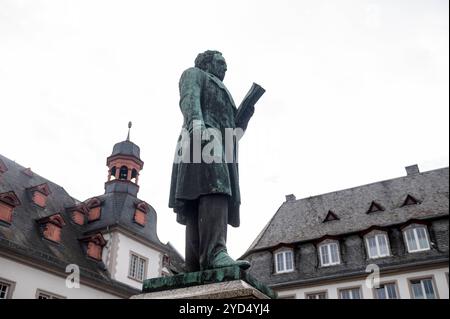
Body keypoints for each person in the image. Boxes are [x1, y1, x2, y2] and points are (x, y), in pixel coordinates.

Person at [169, 50, 258, 272]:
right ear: (207, 63)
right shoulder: (195, 74)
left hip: (222, 142)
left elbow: (234, 132)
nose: (225, 68)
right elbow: (188, 99)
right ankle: (215, 253)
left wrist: (245, 116)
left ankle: (194, 262)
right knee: (215, 187)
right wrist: (197, 124)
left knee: (200, 195)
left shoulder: (225, 93)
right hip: (201, 135)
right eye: (221, 63)